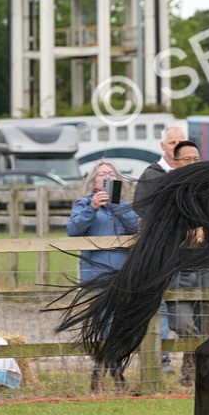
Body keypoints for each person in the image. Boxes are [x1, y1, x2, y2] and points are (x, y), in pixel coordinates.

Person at [66, 161, 139, 392]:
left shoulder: (125, 207)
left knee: (118, 327)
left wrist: (115, 205)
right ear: (94, 181)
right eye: (102, 174)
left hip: (121, 276)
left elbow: (135, 227)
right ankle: (114, 377)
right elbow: (73, 230)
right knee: (103, 328)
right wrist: (93, 208)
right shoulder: (84, 204)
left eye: (111, 173)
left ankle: (101, 376)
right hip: (95, 275)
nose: (106, 177)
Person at [165, 140, 209, 386]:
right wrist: (185, 234)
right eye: (187, 159)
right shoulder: (168, 188)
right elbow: (159, 223)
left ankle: (191, 374)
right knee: (181, 322)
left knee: (204, 325)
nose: (192, 163)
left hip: (206, 264)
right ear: (175, 163)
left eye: (196, 159)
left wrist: (208, 231)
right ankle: (193, 366)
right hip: (176, 266)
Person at [135, 125, 183, 372]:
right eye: (172, 142)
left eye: (180, 141)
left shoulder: (191, 173)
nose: (176, 145)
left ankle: (189, 360)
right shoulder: (152, 175)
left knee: (188, 308)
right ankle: (161, 358)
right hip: (161, 250)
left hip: (189, 255)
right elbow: (143, 208)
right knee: (160, 304)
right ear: (163, 146)